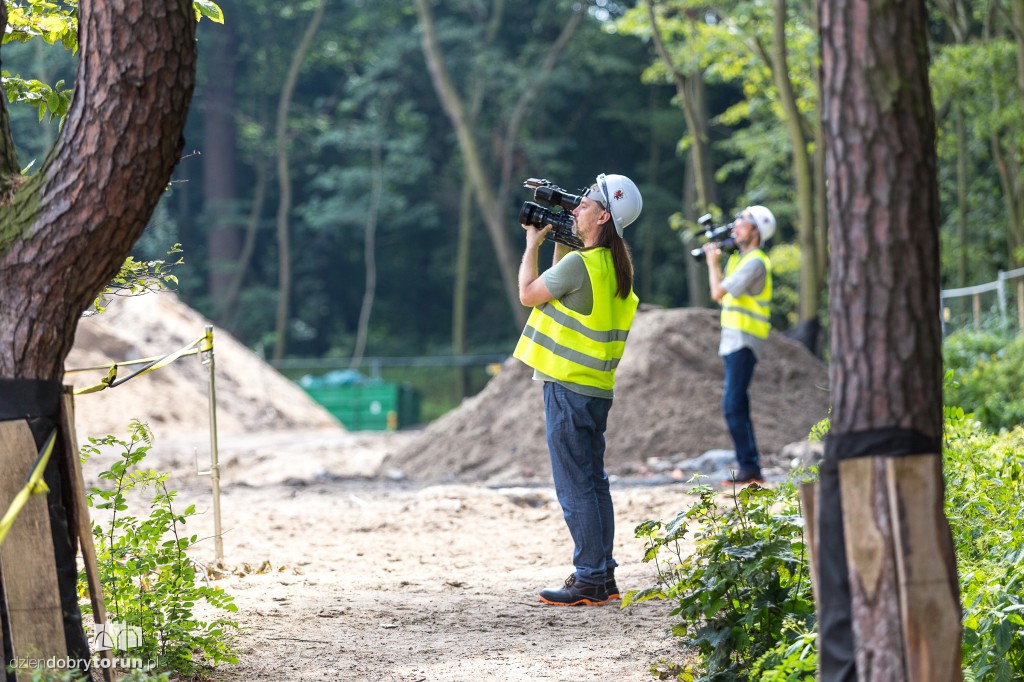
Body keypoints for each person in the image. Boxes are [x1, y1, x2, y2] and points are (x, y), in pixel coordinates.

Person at [513, 173, 642, 606]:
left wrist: (532, 241)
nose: (576, 208)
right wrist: (563, 236)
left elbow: (528, 293)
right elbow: (566, 282)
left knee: (574, 488)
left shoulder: (580, 266)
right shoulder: (613, 268)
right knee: (594, 484)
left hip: (567, 388)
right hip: (596, 390)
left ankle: (588, 577)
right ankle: (602, 576)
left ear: (604, 216)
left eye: (584, 204)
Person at [702, 205, 775, 485]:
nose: (736, 225)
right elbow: (722, 296)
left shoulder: (755, 262)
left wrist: (712, 263)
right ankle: (750, 467)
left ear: (756, 230)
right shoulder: (740, 260)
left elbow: (717, 291)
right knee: (738, 404)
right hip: (734, 339)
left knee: (732, 404)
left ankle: (749, 466)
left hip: (745, 339)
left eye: (743, 221)